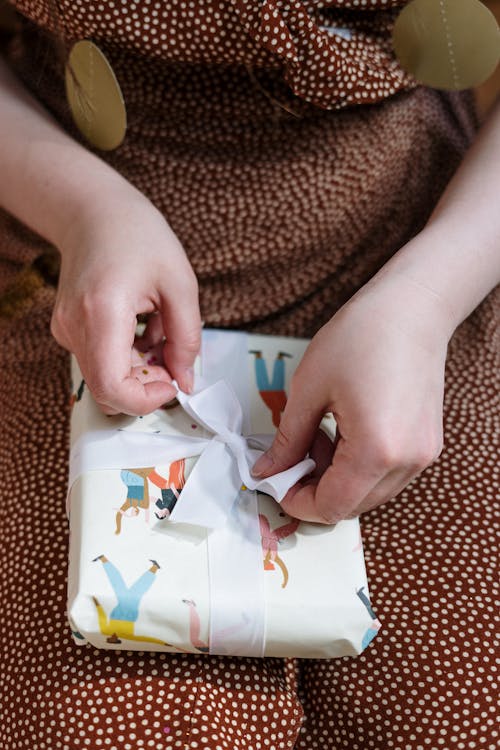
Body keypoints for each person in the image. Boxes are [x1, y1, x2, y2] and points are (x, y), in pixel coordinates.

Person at [0, 1, 498, 748]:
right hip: (74, 259)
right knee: (107, 723)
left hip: (422, 238)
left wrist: (425, 302)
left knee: (462, 709)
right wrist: (84, 213)